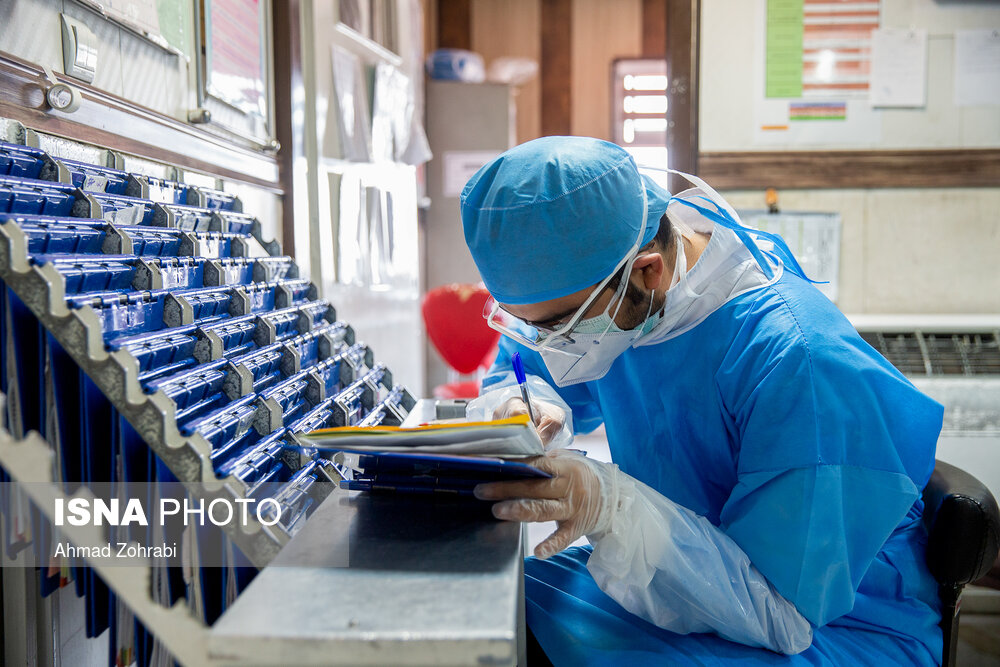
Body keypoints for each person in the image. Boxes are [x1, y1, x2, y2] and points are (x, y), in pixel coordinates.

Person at [459, 136, 944, 665]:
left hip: (828, 624)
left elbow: (781, 609)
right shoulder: (618, 300)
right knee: (487, 614)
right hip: (685, 579)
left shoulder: (799, 361)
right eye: (525, 324)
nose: (551, 344)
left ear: (648, 271)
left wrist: (609, 506)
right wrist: (519, 402)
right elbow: (525, 362)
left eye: (558, 328)